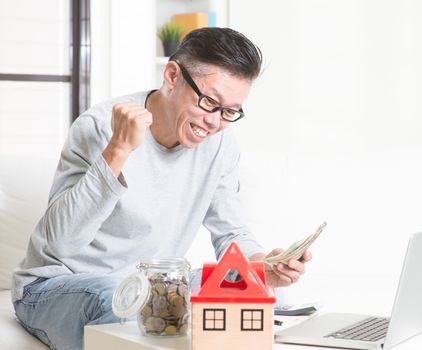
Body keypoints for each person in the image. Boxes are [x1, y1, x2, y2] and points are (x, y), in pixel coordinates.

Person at [11, 27, 312, 350]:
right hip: (60, 286)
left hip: (155, 288)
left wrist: (261, 267)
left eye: (229, 112)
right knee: (120, 300)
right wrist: (118, 151)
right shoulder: (101, 126)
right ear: (172, 76)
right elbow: (61, 244)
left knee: (249, 287)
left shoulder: (221, 146)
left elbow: (231, 232)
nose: (214, 122)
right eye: (209, 102)